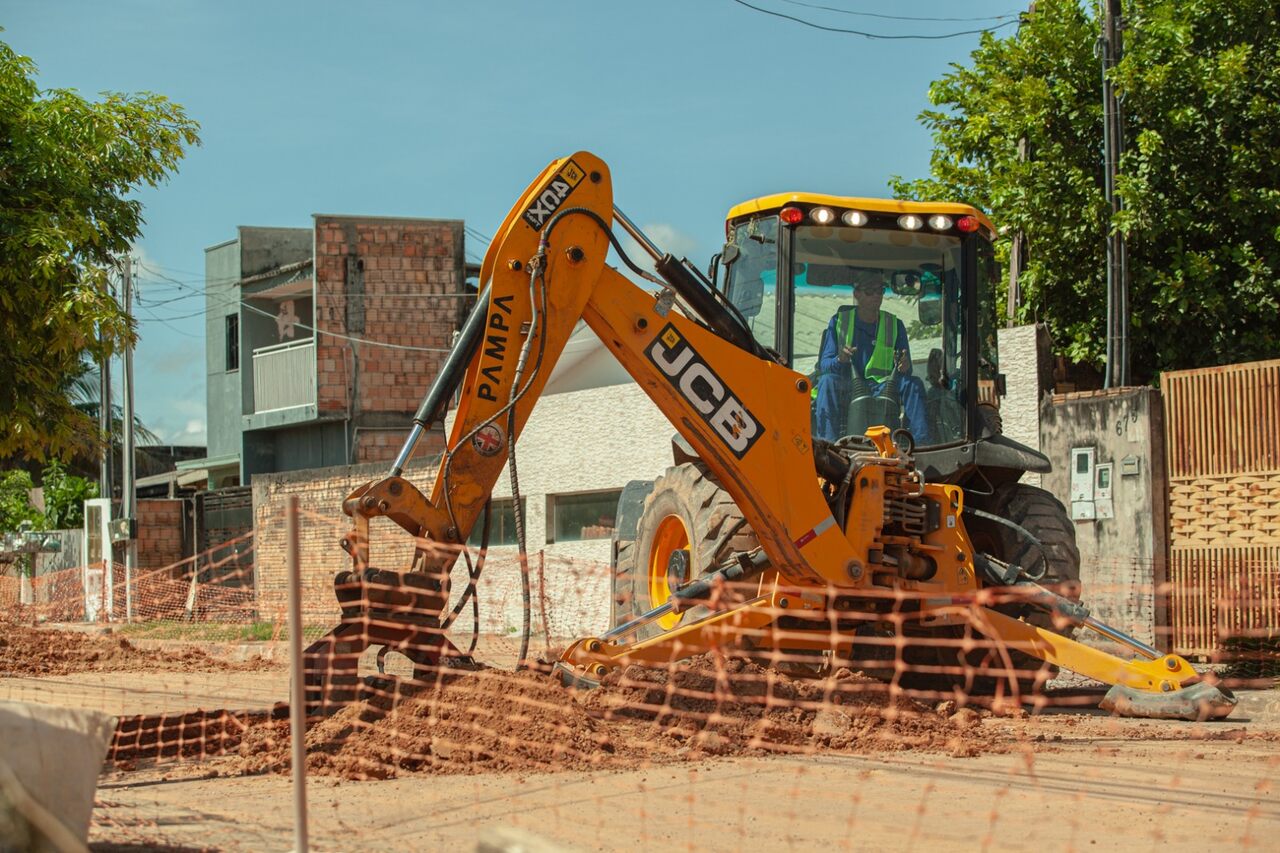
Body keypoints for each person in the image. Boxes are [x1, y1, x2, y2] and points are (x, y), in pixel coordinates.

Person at [812, 270, 932, 443]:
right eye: (870, 291)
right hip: (848, 387)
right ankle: (828, 445)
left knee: (913, 384)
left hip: (884, 386)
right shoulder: (838, 322)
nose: (876, 295)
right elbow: (824, 365)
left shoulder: (895, 325)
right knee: (826, 381)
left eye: (880, 290)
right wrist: (840, 360)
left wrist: (904, 366)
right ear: (857, 294)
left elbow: (907, 369)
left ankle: (921, 445)